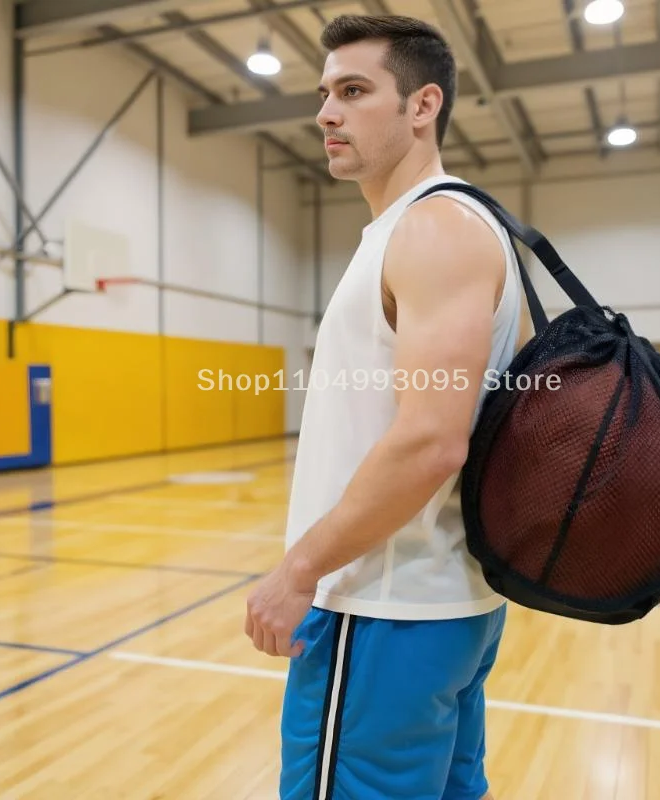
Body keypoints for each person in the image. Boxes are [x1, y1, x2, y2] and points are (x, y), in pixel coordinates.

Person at [244, 13, 522, 800]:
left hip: (382, 611)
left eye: (355, 90)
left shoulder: (435, 229)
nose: (326, 112)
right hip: (439, 609)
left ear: (423, 105)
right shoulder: (425, 228)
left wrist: (299, 571)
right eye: (325, 92)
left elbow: (431, 443)